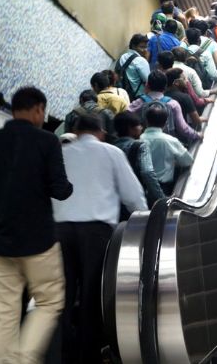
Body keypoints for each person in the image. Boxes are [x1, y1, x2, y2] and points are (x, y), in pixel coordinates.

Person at [0, 87, 73, 364]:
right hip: (39, 243)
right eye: (43, 112)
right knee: (49, 302)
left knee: (5, 312)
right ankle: (25, 358)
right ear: (37, 110)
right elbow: (61, 190)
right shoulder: (47, 142)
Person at [52, 113, 147, 363]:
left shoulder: (62, 153)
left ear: (75, 130)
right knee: (92, 295)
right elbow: (133, 194)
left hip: (60, 230)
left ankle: (62, 354)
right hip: (96, 232)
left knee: (63, 294)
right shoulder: (111, 153)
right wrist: (146, 220)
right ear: (102, 132)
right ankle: (87, 356)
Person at [127, 71, 202, 145]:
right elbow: (183, 128)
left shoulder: (139, 102)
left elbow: (124, 117)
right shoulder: (173, 104)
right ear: (165, 87)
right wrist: (197, 135)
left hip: (145, 144)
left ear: (147, 85)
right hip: (167, 144)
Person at [113, 112, 166, 208]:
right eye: (138, 125)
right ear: (130, 128)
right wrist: (161, 199)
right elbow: (147, 173)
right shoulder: (140, 146)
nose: (141, 128)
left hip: (115, 201)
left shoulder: (111, 147)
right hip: (135, 199)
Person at [141, 104, 195, 195]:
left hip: (142, 188)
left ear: (146, 121)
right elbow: (188, 161)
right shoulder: (170, 141)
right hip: (164, 188)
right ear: (166, 123)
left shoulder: (138, 140)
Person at [117, 33, 151, 100]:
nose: (145, 50)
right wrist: (146, 60)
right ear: (133, 46)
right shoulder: (141, 61)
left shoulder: (123, 57)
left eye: (146, 47)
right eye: (142, 47)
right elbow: (148, 80)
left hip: (123, 94)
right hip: (138, 97)